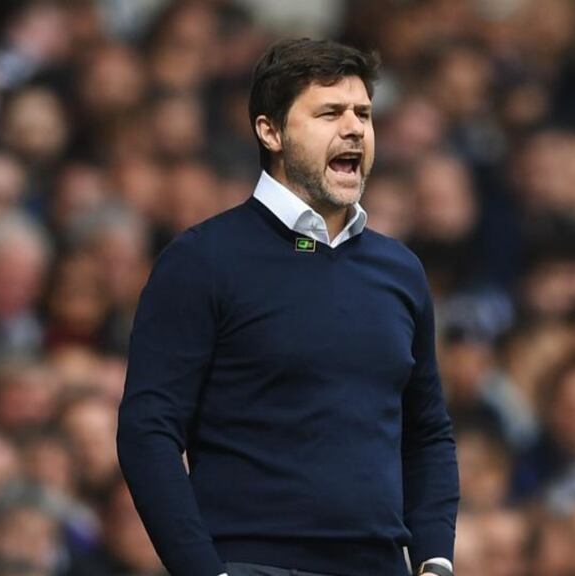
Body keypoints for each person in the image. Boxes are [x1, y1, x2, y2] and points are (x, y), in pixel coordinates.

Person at [116, 38, 459, 576]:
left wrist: (436, 558)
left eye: (363, 114)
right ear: (269, 131)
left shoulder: (401, 272)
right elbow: (148, 430)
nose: (354, 128)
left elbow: (428, 432)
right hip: (253, 562)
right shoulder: (202, 260)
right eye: (329, 113)